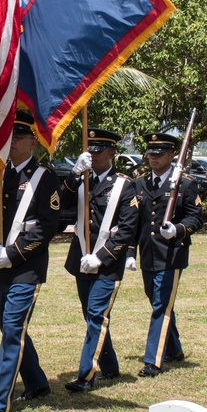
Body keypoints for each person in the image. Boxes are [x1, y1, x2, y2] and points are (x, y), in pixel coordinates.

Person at [0, 109, 60, 412]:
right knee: (10, 327)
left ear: (33, 143)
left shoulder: (45, 177)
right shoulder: (0, 173)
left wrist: (14, 253)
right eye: (9, 135)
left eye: (20, 136)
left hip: (26, 266)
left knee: (12, 329)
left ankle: (0, 403)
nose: (12, 141)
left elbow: (47, 226)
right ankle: (37, 382)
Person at [58, 128, 138, 392]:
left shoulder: (124, 185)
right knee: (92, 315)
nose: (92, 154)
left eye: (98, 150)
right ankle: (110, 367)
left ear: (112, 152)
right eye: (89, 149)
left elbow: (127, 230)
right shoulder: (81, 178)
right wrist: (72, 175)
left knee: (96, 314)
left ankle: (86, 375)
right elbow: (58, 204)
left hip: (107, 263)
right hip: (81, 257)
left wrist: (101, 257)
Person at [132, 132, 203, 378]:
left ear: (172, 155)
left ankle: (154, 360)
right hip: (148, 253)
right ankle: (174, 349)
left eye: (159, 153)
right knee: (156, 300)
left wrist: (179, 229)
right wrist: (131, 251)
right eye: (150, 153)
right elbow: (134, 222)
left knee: (161, 305)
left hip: (172, 254)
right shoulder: (140, 184)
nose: (153, 157)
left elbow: (196, 217)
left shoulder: (184, 184)